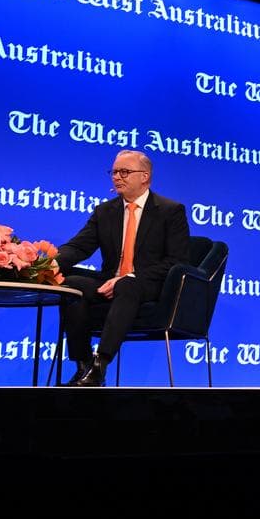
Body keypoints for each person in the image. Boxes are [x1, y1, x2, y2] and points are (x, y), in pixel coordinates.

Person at [58, 150, 190, 386]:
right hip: (110, 281)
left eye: (124, 172)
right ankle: (83, 365)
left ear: (145, 177)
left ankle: (100, 364)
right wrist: (49, 264)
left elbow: (177, 261)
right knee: (71, 286)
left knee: (128, 284)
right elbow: (79, 246)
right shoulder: (105, 211)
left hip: (148, 284)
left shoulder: (170, 211)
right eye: (114, 172)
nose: (117, 177)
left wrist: (129, 277)